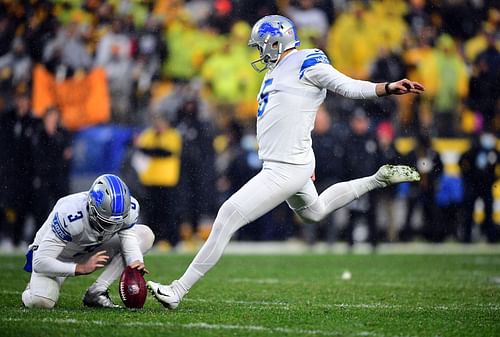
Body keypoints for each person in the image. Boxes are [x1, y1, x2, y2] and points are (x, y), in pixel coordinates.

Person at [147, 15, 424, 309]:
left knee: (227, 215)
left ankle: (178, 290)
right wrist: (305, 155)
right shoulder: (275, 71)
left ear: (276, 42)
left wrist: (387, 87)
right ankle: (377, 179)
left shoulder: (307, 62)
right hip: (290, 162)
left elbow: (347, 86)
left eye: (262, 46)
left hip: (285, 167)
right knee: (314, 213)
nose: (260, 52)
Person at [21, 174, 154, 309]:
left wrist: (135, 262)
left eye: (117, 223)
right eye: (106, 222)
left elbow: (128, 236)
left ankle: (97, 292)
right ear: (91, 208)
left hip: (91, 250)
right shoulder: (70, 213)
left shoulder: (129, 208)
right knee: (41, 302)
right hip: (58, 257)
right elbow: (40, 262)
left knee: (145, 235)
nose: (112, 228)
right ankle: (32, 289)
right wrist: (79, 268)